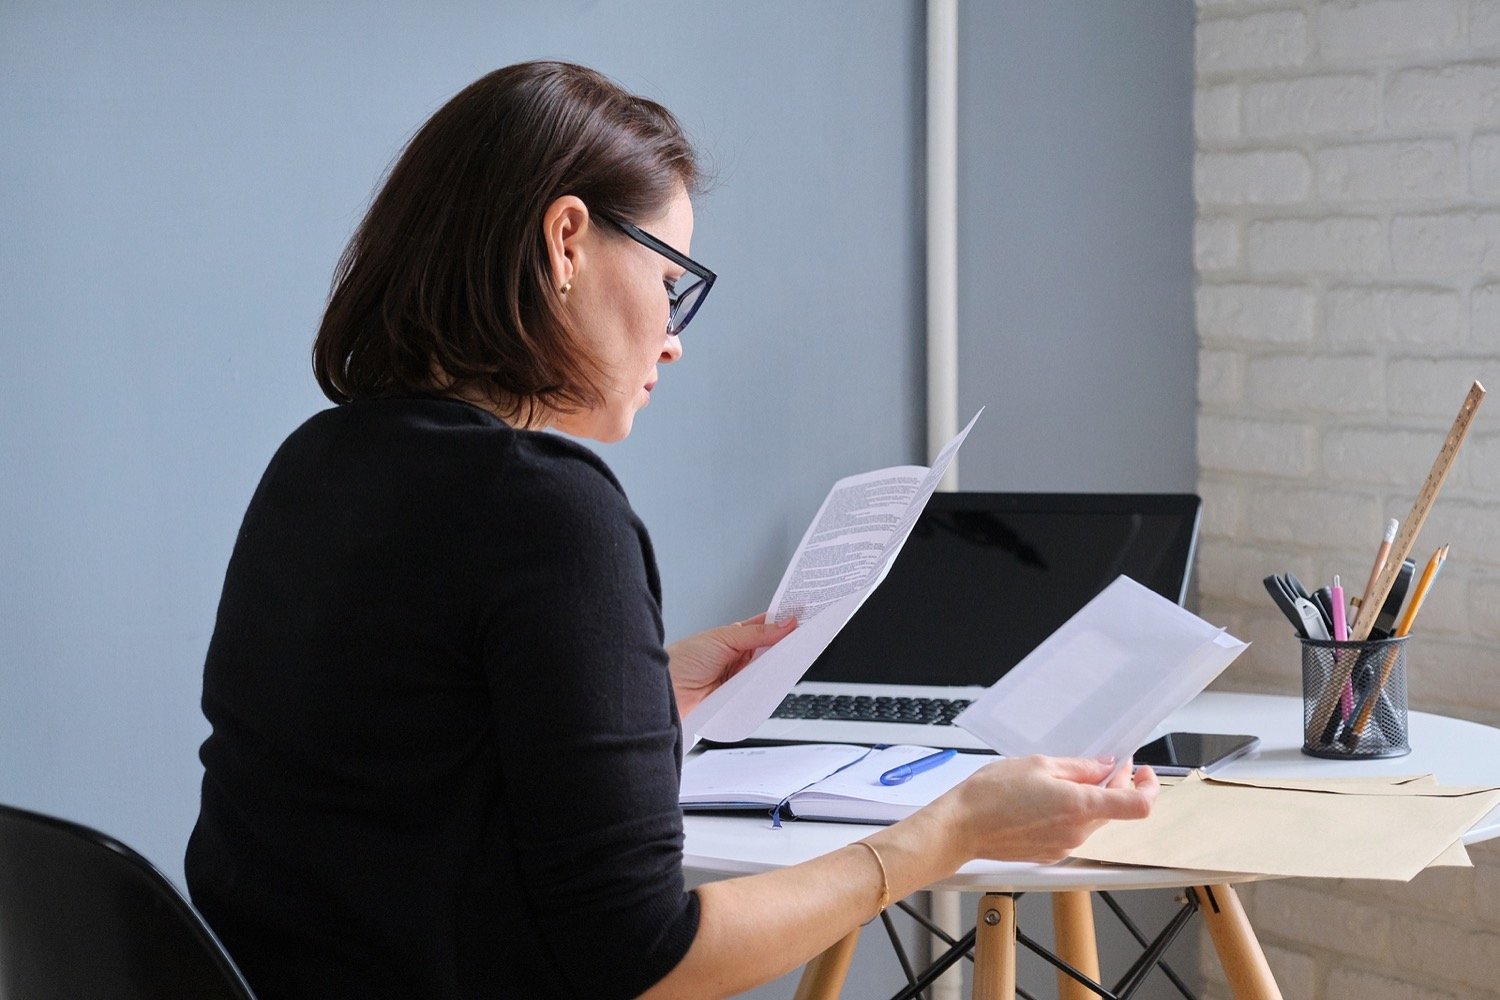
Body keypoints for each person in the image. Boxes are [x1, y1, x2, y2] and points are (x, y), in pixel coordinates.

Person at [185, 60, 1158, 1000]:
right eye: (670, 281)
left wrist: (644, 693)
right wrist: (942, 835)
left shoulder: (313, 464)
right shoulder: (548, 510)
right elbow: (645, 958)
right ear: (566, 240)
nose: (674, 334)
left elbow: (401, 775)